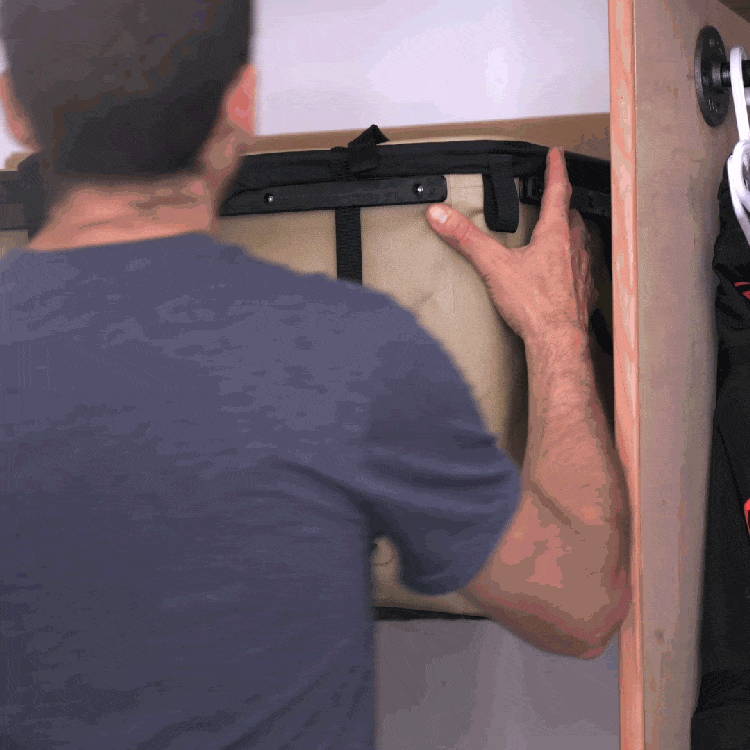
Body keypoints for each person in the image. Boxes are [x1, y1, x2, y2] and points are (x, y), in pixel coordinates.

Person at [0, 1, 631, 748]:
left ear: (14, 109)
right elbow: (580, 605)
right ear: (242, 103)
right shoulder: (346, 350)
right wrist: (557, 330)